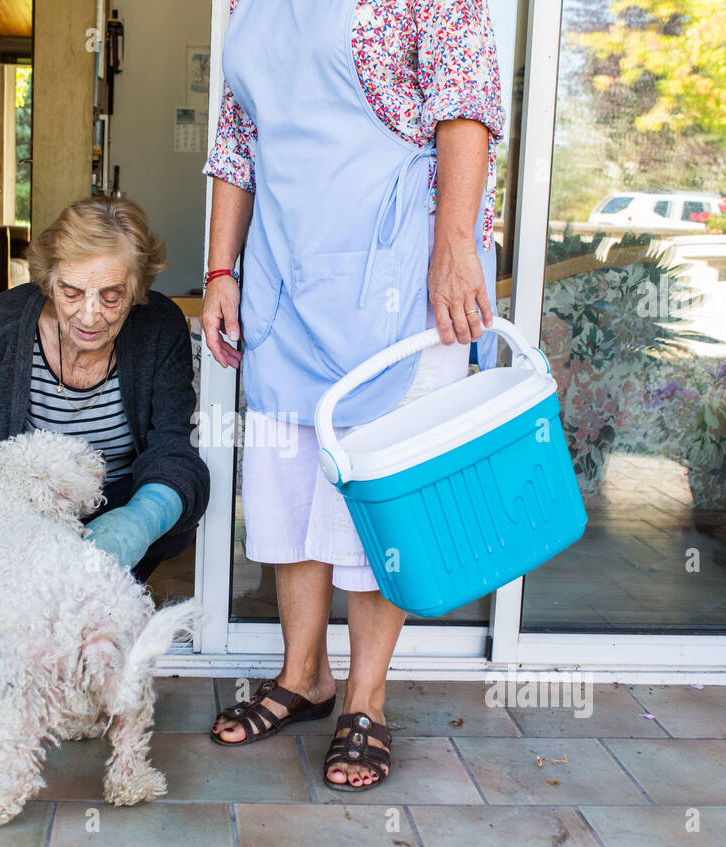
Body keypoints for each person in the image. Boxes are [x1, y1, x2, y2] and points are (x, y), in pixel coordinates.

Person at [200, 0, 505, 790]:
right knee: (292, 479)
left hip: (398, 262)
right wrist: (221, 269)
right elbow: (239, 143)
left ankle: (365, 699)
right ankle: (304, 675)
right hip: (286, 266)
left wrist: (455, 247)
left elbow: (464, 109)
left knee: (379, 486)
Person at [0, 196, 209, 584]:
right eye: (72, 293)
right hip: (24, 512)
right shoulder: (7, 321)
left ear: (138, 287)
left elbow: (174, 447)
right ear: (48, 281)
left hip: (119, 503)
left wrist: (141, 520)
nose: (90, 315)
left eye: (112, 296)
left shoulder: (159, 326)